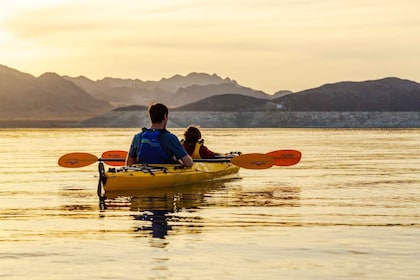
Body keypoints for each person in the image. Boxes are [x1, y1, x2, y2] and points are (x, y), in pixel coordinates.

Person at [126, 103, 193, 167]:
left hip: (143, 174)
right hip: (164, 176)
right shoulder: (170, 138)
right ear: (165, 116)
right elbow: (188, 163)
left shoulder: (138, 137)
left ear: (150, 117)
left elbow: (129, 163)